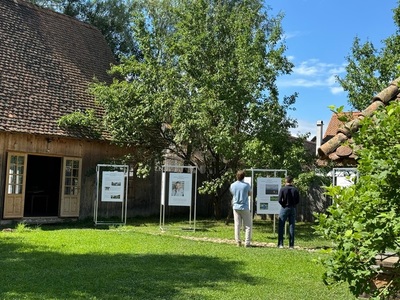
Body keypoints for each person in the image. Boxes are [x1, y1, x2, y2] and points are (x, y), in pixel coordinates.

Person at [230, 170, 252, 247]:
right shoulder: (247, 185)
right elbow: (250, 194)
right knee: (248, 225)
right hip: (244, 206)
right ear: (243, 177)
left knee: (237, 224)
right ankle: (247, 242)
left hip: (236, 206)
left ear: (237, 176)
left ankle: (238, 241)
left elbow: (232, 193)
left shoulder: (233, 185)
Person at [277, 176, 300, 249]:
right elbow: (298, 200)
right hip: (292, 208)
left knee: (281, 226)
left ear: (285, 181)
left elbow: (279, 199)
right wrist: (293, 205)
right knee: (292, 226)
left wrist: (283, 204)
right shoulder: (295, 190)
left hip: (284, 208)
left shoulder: (283, 189)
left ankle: (280, 244)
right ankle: (291, 245)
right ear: (292, 181)